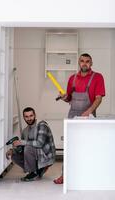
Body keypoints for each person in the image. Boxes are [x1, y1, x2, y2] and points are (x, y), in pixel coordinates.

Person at [53, 53, 105, 184]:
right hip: (72, 115)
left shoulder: (97, 77)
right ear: (79, 63)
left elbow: (99, 98)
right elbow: (70, 98)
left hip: (89, 115)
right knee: (70, 146)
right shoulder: (72, 78)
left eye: (87, 61)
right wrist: (65, 98)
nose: (84, 63)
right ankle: (65, 175)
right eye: (82, 61)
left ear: (91, 63)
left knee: (89, 146)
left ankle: (89, 176)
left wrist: (89, 112)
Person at [6, 107, 56, 182]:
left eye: (31, 116)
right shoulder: (25, 131)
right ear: (24, 117)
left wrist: (22, 142)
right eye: (26, 116)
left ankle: (34, 172)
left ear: (35, 115)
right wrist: (12, 150)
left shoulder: (42, 125)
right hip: (36, 154)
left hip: (46, 155)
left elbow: (39, 143)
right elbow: (23, 147)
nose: (29, 118)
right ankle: (37, 170)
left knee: (28, 148)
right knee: (14, 155)